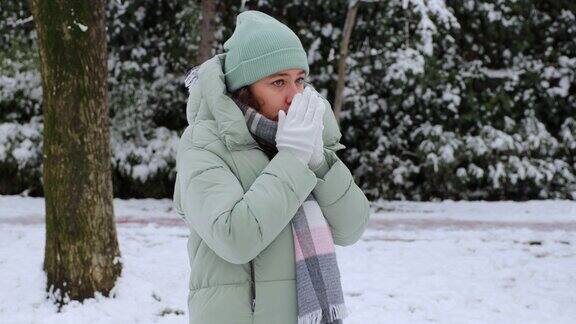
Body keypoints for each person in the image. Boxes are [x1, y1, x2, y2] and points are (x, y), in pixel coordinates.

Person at [173, 10, 370, 324]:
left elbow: (351, 228)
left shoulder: (304, 140)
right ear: (244, 89)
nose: (295, 95)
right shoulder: (204, 143)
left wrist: (319, 163)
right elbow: (235, 238)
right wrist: (292, 160)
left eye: (299, 80)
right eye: (278, 82)